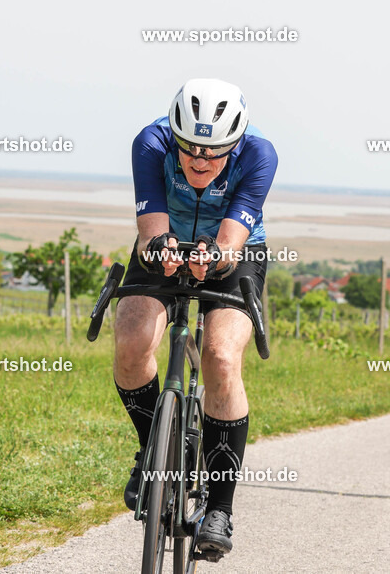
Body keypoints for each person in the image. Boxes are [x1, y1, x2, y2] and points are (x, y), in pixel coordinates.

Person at [113, 78, 277, 559]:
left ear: (235, 143)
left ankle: (220, 508)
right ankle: (154, 452)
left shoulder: (259, 154)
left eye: (214, 152)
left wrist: (216, 257)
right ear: (175, 136)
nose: (200, 162)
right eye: (189, 149)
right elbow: (150, 230)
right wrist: (160, 248)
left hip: (233, 251)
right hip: (165, 242)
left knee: (221, 357)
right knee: (131, 341)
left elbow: (231, 241)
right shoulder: (151, 143)